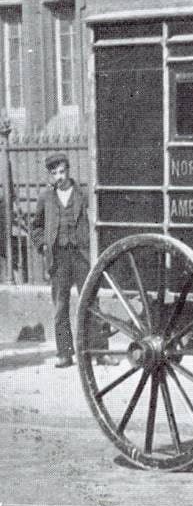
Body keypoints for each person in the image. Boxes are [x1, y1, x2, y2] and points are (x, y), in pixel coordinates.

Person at [30, 153, 116, 368]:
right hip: (58, 258)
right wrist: (43, 245)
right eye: (54, 173)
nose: (59, 177)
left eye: (62, 171)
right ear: (50, 175)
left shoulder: (83, 194)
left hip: (81, 255)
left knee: (91, 302)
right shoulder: (45, 197)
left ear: (68, 171)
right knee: (61, 306)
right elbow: (36, 227)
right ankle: (65, 353)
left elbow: (96, 220)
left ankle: (100, 352)